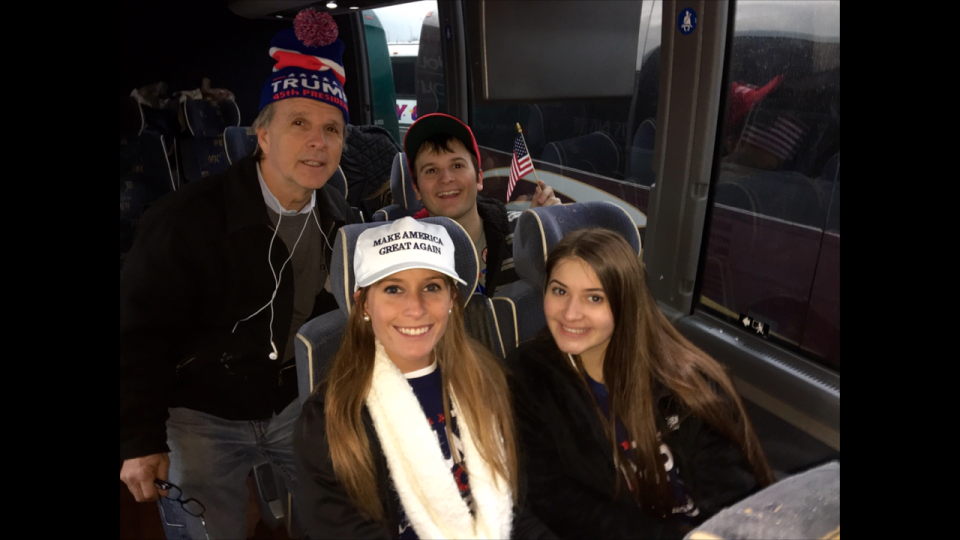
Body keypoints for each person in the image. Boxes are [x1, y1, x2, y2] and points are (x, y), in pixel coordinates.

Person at [120, 9, 360, 539]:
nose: (318, 141)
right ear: (263, 135)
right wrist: (139, 439)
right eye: (299, 123)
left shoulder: (340, 216)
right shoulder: (183, 221)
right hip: (201, 413)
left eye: (332, 129)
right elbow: (137, 335)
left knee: (348, 521)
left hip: (295, 404)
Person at [294, 217, 555, 539]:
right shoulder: (329, 418)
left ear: (452, 300)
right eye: (393, 289)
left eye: (431, 287)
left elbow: (516, 511)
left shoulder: (492, 383)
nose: (415, 308)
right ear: (363, 304)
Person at [507, 228, 775, 540]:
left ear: (625, 303)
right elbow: (555, 497)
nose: (570, 313)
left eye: (594, 298)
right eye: (559, 291)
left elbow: (730, 487)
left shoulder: (683, 378)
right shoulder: (529, 373)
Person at [404, 113, 562, 296]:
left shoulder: (521, 233)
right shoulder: (402, 252)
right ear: (416, 189)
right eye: (431, 170)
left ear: (479, 179)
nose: (446, 179)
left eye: (457, 166)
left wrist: (548, 233)